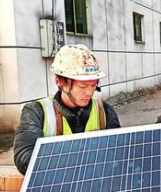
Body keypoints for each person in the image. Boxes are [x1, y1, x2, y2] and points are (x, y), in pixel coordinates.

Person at [14, 44, 121, 175]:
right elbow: (24, 157)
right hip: (54, 185)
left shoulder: (105, 111)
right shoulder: (36, 112)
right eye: (83, 86)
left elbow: (118, 152)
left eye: (93, 85)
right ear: (60, 82)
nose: (89, 92)